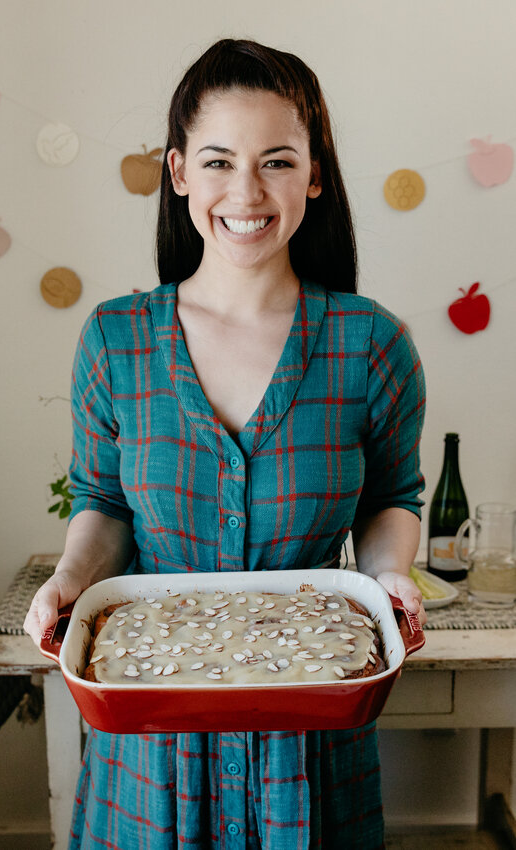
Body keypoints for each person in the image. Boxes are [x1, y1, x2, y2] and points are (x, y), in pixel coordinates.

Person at [24, 37, 426, 850]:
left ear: (316, 175)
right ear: (177, 173)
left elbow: (392, 497)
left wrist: (389, 574)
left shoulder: (372, 343)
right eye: (217, 161)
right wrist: (71, 580)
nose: (246, 190)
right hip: (151, 747)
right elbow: (104, 503)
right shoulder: (115, 340)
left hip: (311, 742)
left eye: (277, 161)